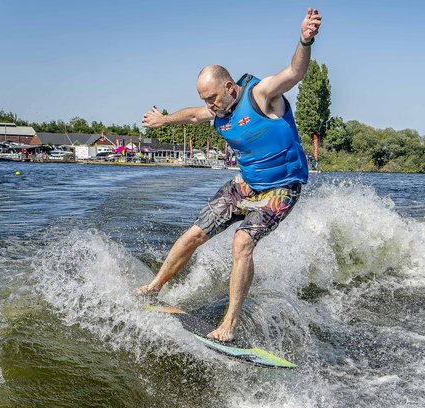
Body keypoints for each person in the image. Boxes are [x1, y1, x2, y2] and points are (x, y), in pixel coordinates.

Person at [137, 8, 322, 343]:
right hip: (247, 186)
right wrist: (164, 120)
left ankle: (229, 325)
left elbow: (295, 72)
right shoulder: (217, 110)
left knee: (242, 240)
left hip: (282, 188)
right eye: (205, 100)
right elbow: (193, 116)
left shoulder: (261, 94)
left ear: (228, 86)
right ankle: (154, 287)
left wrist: (304, 39)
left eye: (212, 98)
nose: (209, 105)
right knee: (195, 233)